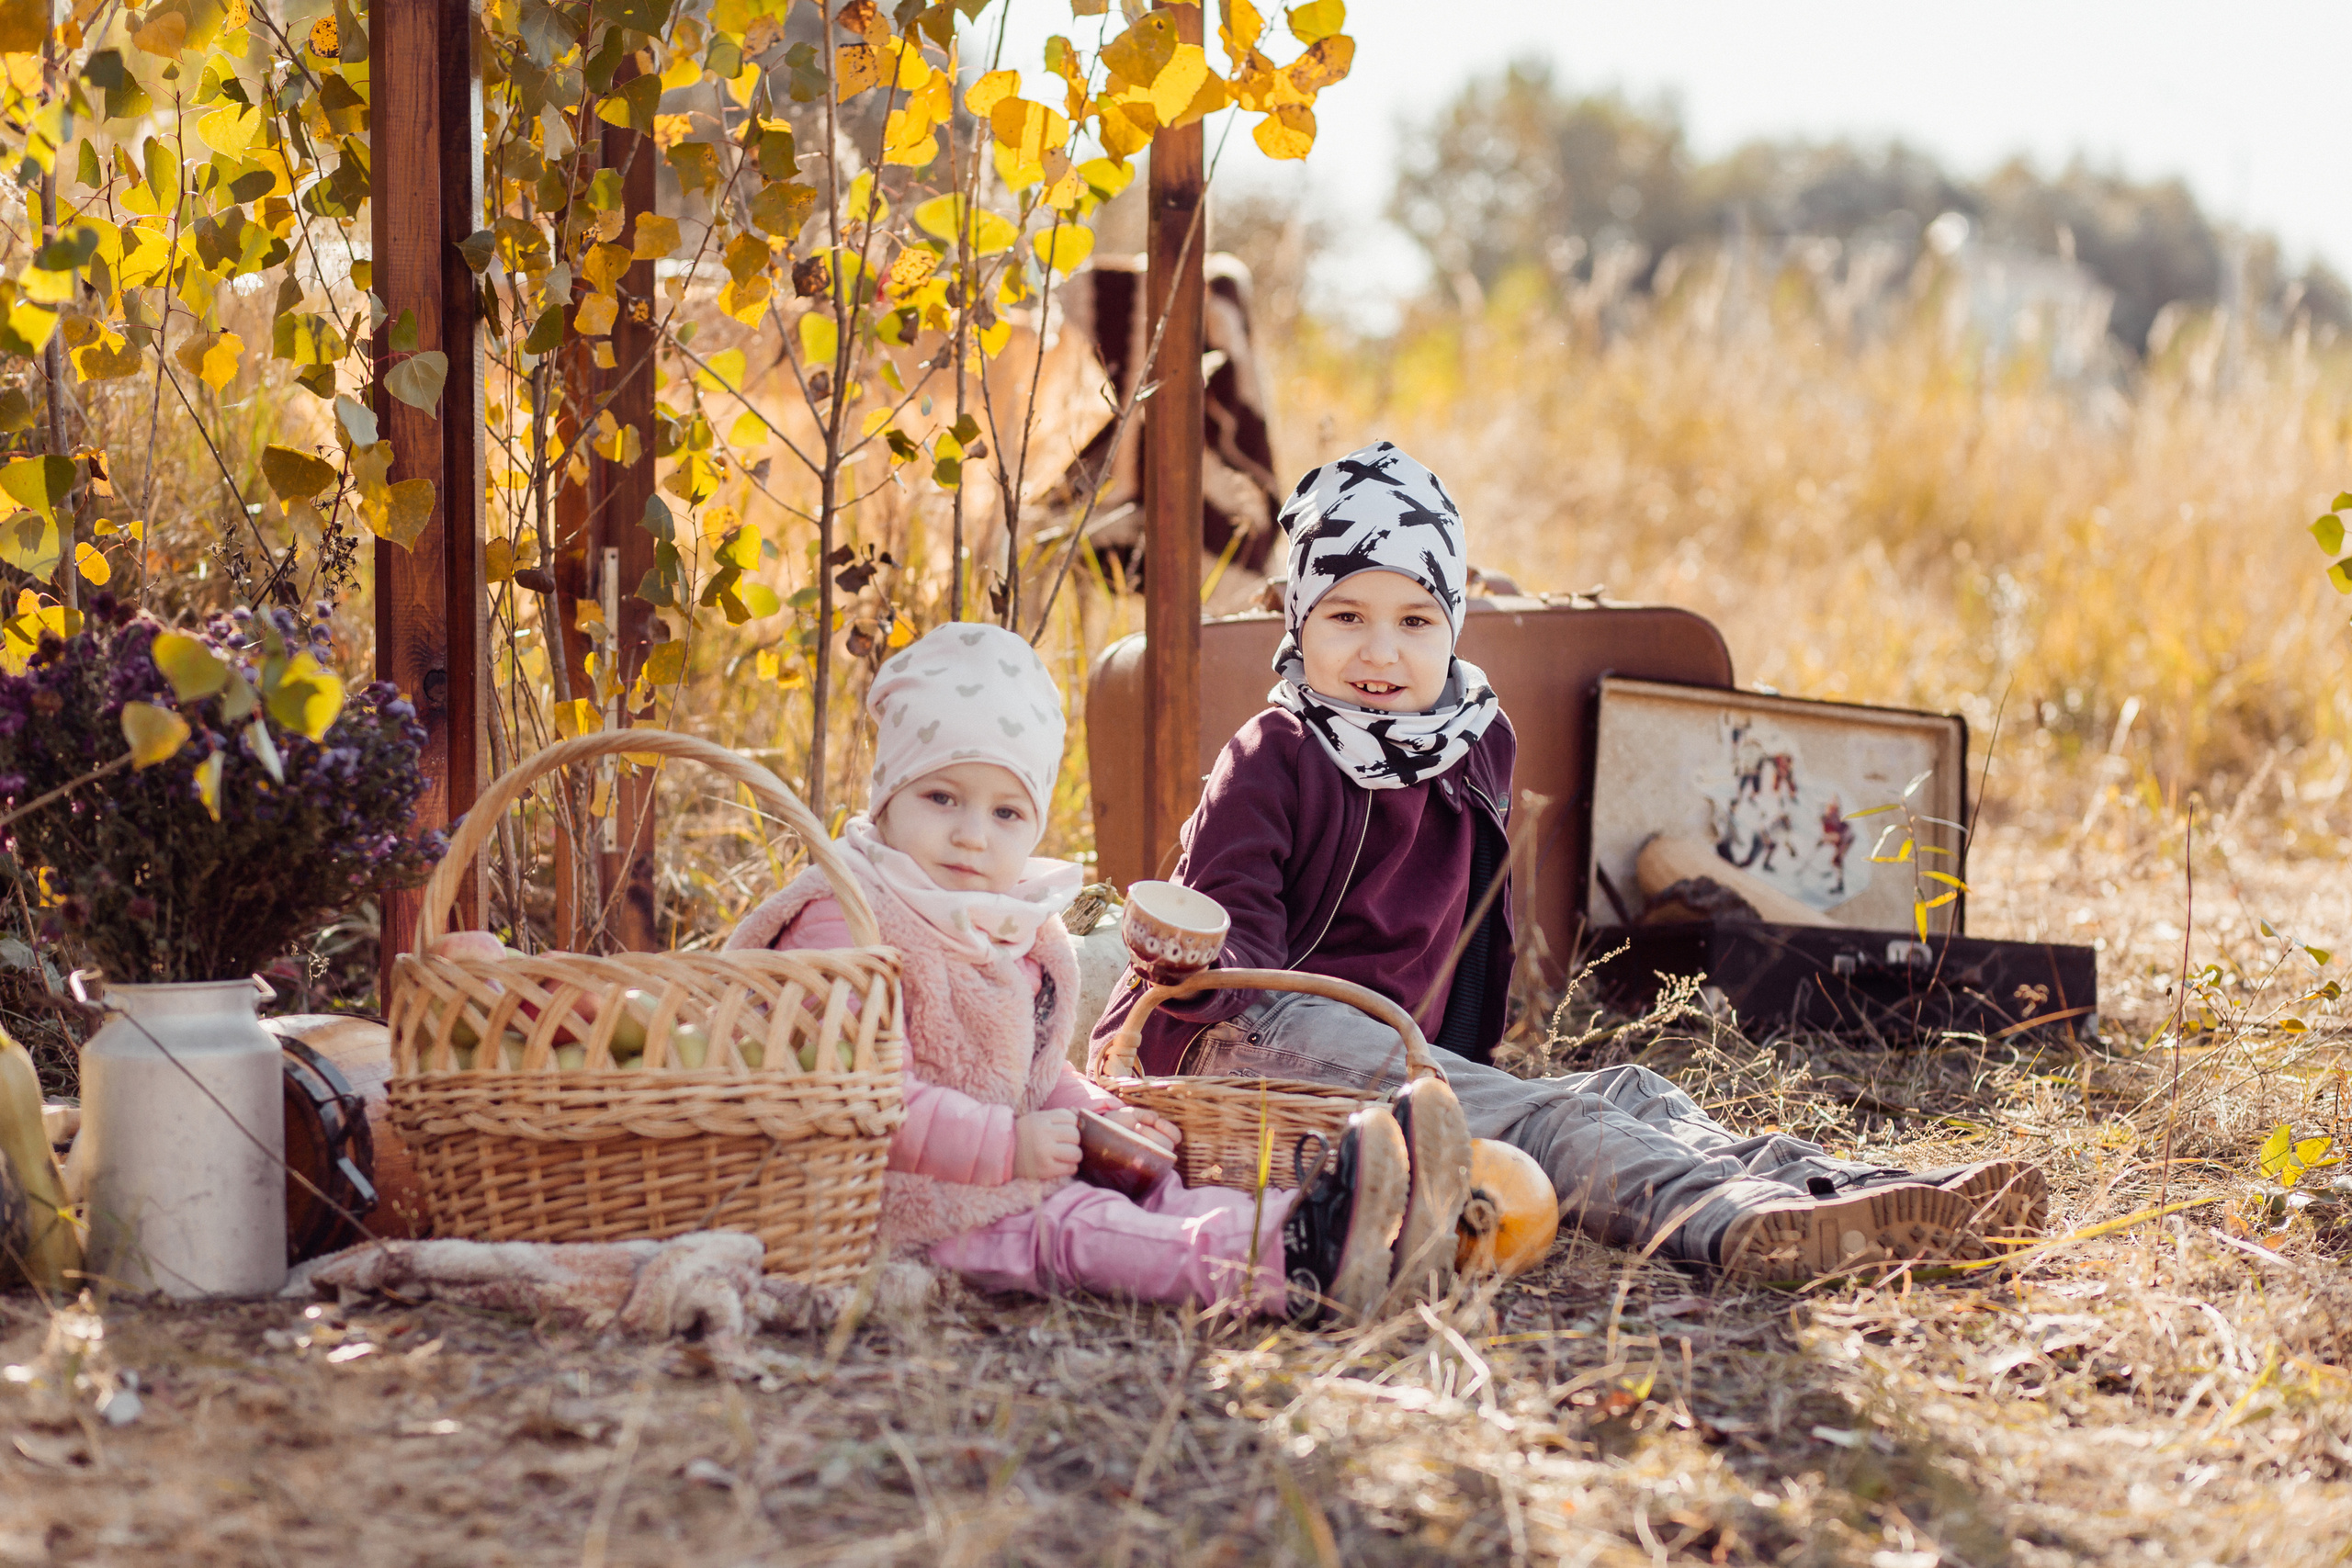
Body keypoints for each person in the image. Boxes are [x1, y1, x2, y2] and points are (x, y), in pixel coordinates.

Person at [1089, 441, 2048, 1285]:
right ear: (1298, 618)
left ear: (1453, 621)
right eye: (1345, 616)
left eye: (1415, 620)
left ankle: (1858, 1192)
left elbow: (1477, 925)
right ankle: (1738, 1223)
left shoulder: (1470, 740)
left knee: (1629, 1090)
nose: (1379, 653)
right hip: (1245, 1033)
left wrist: (1476, 1053)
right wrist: (1193, 961)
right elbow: (1228, 922)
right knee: (1536, 1124)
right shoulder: (1277, 751)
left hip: (1380, 1045)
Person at [729, 622, 1474, 1322]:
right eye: (941, 797)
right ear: (885, 797)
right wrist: (1007, 1147)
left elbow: (1021, 1067)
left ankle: (1338, 1227)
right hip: (891, 1201)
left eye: (1006, 814)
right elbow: (860, 1096)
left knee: (1159, 1195)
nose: (971, 834)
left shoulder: (998, 921)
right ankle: (1292, 1262)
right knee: (1081, 1228)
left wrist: (1096, 1112)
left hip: (983, 1172)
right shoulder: (845, 921)